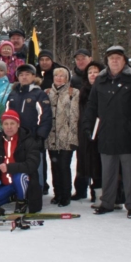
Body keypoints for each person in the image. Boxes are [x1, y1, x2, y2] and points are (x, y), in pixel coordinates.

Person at [83, 46, 131, 218]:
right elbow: (92, 105)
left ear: (124, 60)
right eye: (112, 58)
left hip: (128, 131)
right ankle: (107, 202)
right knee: (108, 171)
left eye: (118, 58)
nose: (115, 61)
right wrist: (88, 125)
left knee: (130, 172)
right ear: (107, 61)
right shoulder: (100, 80)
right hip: (106, 131)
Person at [6, 64, 52, 193]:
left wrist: (40, 136)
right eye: (21, 75)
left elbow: (45, 117)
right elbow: (6, 115)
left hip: (33, 137)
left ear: (33, 76)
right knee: (19, 163)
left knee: (36, 164)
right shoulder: (13, 94)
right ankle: (20, 189)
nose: (24, 77)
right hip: (17, 137)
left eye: (27, 74)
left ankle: (39, 189)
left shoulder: (39, 94)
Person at [0, 109, 42, 213]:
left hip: (24, 182)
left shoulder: (28, 141)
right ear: (2, 125)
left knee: (19, 176)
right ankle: (13, 197)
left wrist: (9, 167)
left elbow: (32, 164)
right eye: (6, 124)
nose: (9, 127)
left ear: (18, 124)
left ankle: (22, 201)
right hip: (5, 183)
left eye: (12, 123)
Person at [44, 67, 80, 207]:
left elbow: (75, 117)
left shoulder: (73, 93)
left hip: (66, 136)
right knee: (54, 165)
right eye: (56, 75)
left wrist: (73, 138)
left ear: (67, 78)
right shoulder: (47, 93)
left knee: (64, 166)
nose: (59, 78)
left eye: (62, 76)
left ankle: (66, 195)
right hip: (51, 137)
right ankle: (57, 193)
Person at [74, 61, 104, 201]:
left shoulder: (104, 88)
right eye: (90, 72)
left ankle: (98, 194)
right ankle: (81, 190)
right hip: (84, 130)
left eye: (96, 72)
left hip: (101, 131)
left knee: (98, 164)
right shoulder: (82, 90)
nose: (93, 75)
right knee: (83, 161)